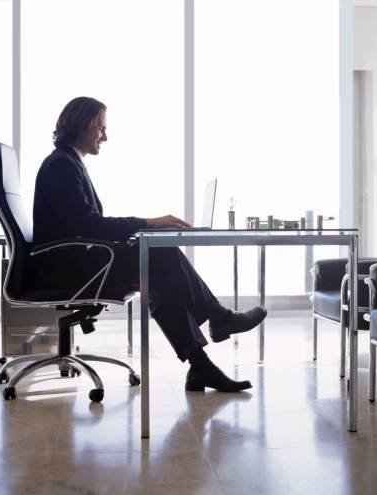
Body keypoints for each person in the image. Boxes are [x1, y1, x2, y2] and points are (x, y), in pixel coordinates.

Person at [32, 96, 267, 392]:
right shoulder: (62, 166)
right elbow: (88, 226)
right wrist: (147, 223)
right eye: (101, 128)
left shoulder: (68, 162)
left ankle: (201, 365)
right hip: (69, 268)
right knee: (160, 254)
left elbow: (84, 226)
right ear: (83, 125)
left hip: (78, 260)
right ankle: (218, 321)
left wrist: (143, 229)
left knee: (159, 273)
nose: (105, 136)